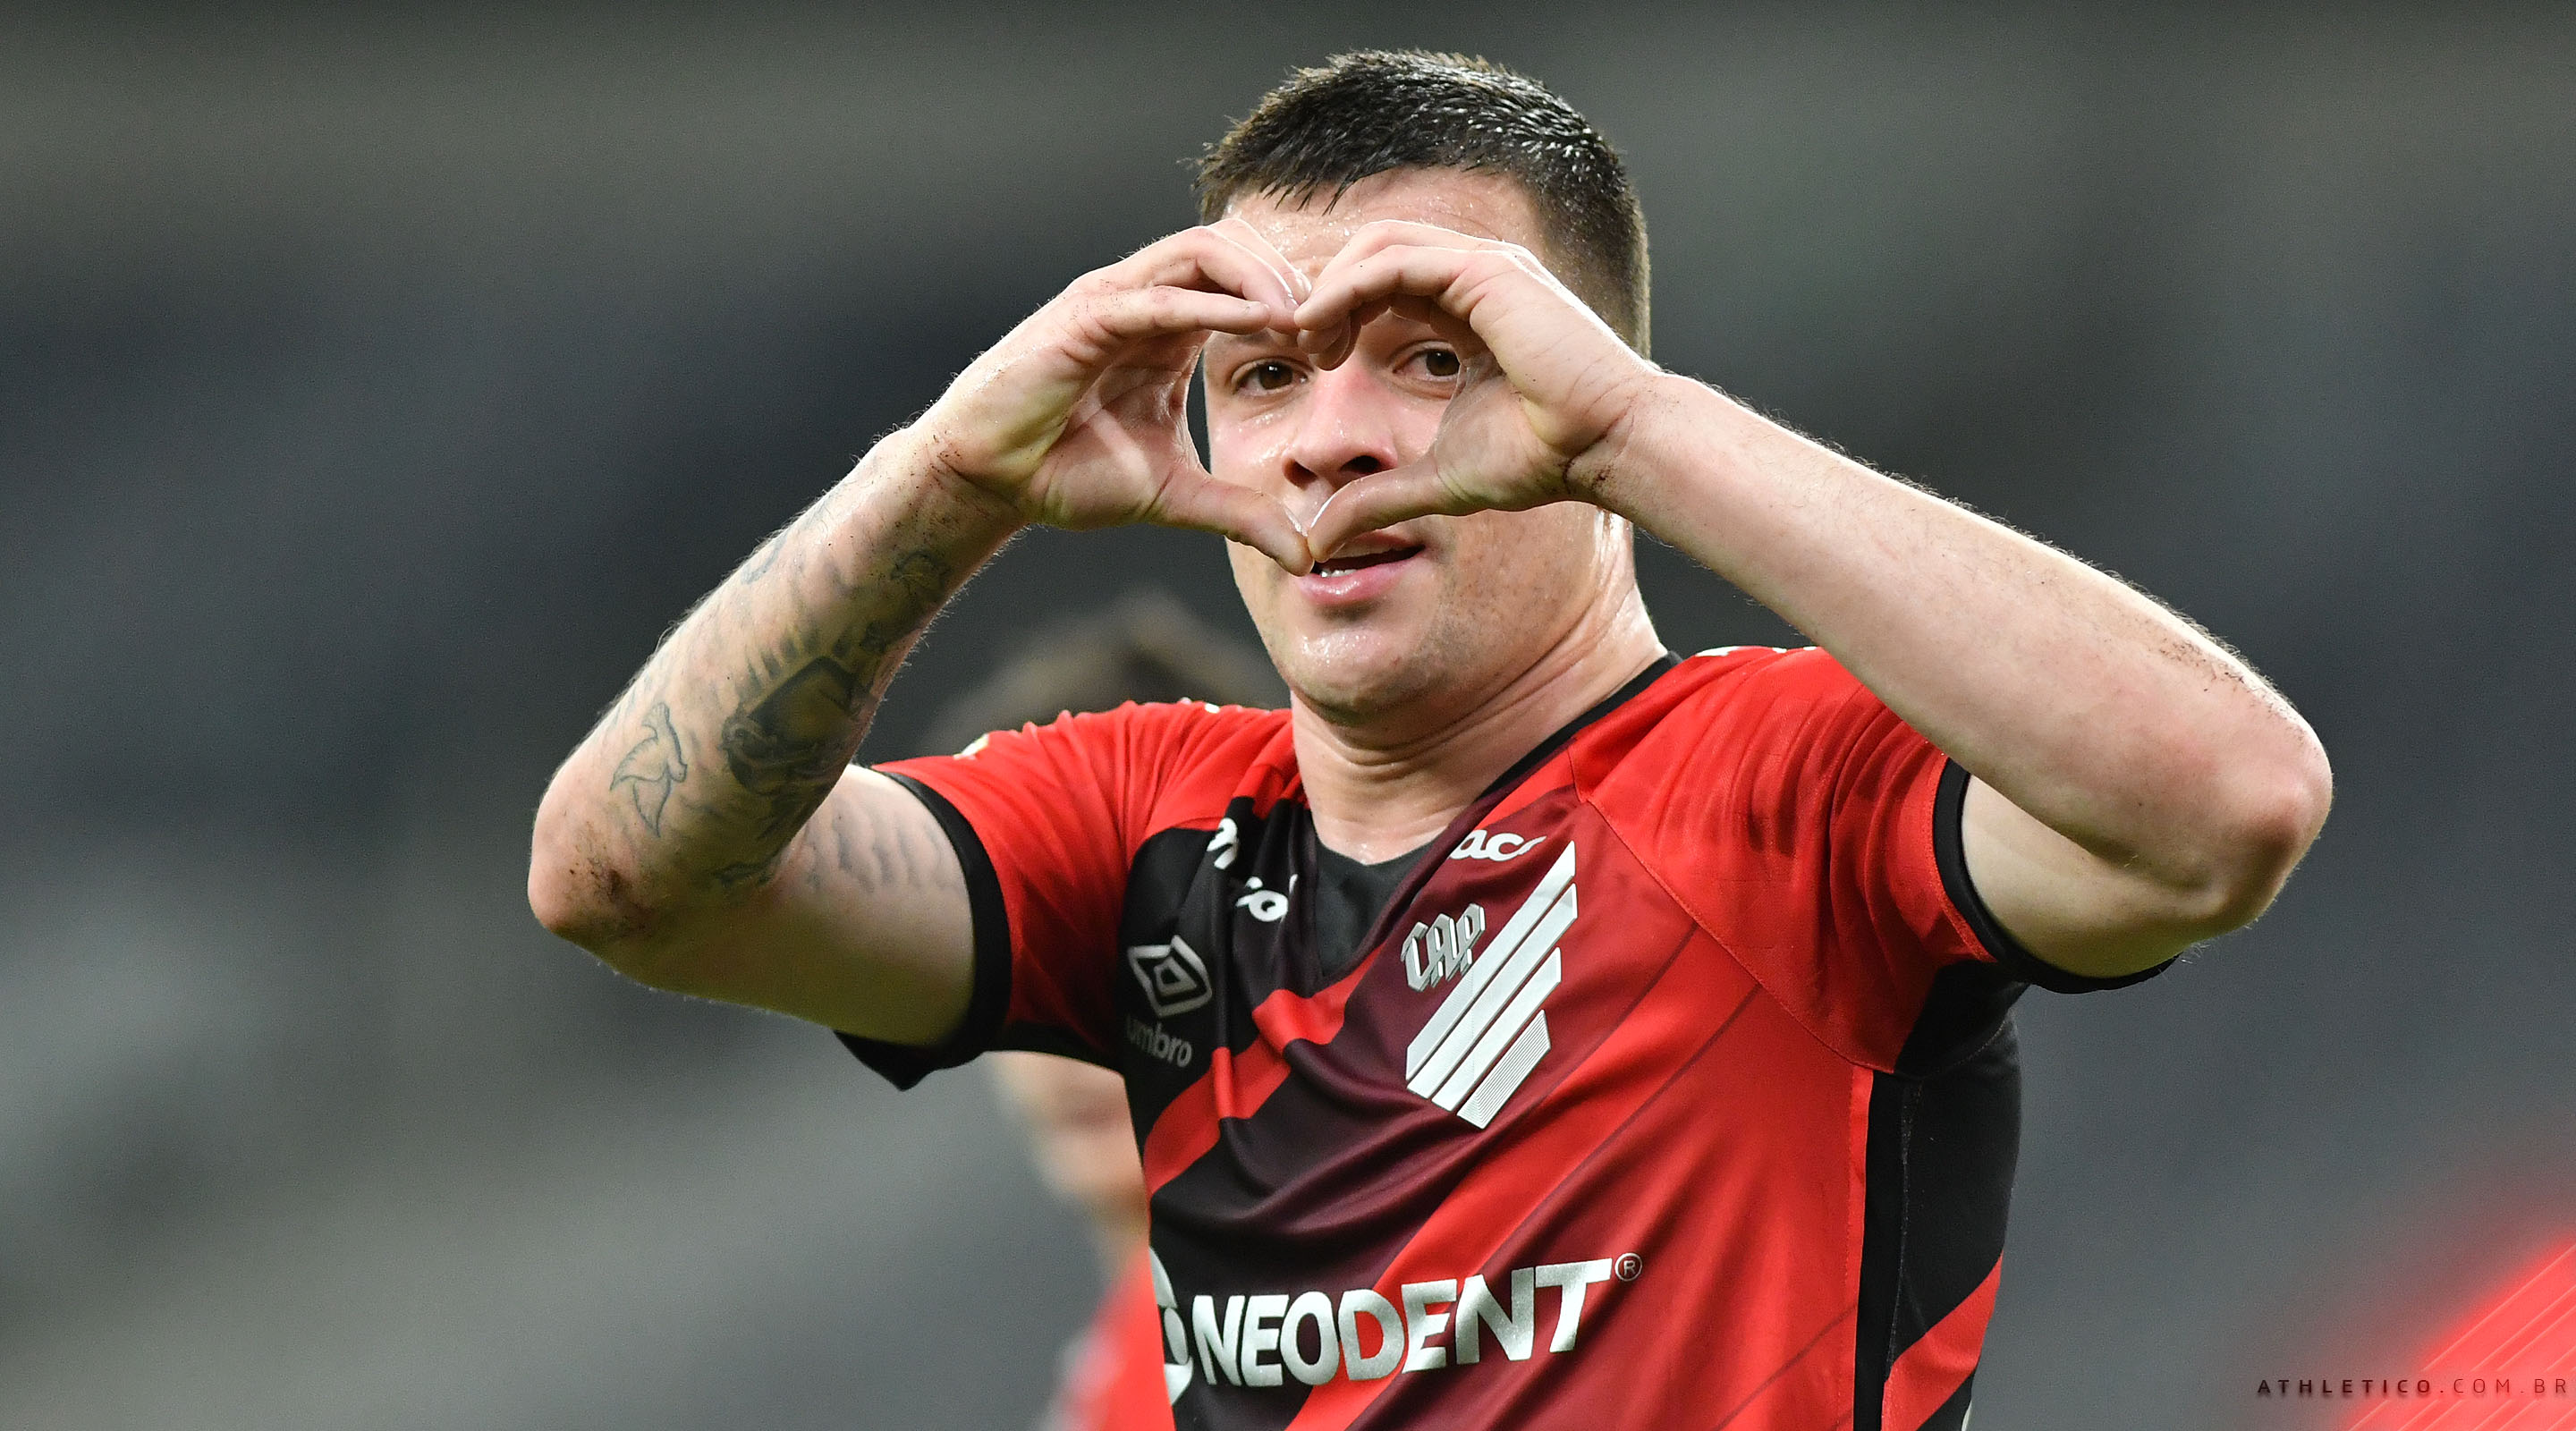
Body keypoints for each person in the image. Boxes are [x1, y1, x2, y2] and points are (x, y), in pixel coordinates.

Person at [528, 51, 2332, 1430]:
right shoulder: (1143, 823)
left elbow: (2229, 804)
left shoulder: (1787, 788)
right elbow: (621, 880)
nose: (1331, 439)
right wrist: (944, 476)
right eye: (1264, 376)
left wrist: (1640, 430)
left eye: (1435, 353)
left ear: (1580, 378)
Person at [945, 593, 1282, 1431]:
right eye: (1031, 951)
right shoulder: (1119, 1371)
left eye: (1139, 937)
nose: (1075, 1035)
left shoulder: (1396, 1322)